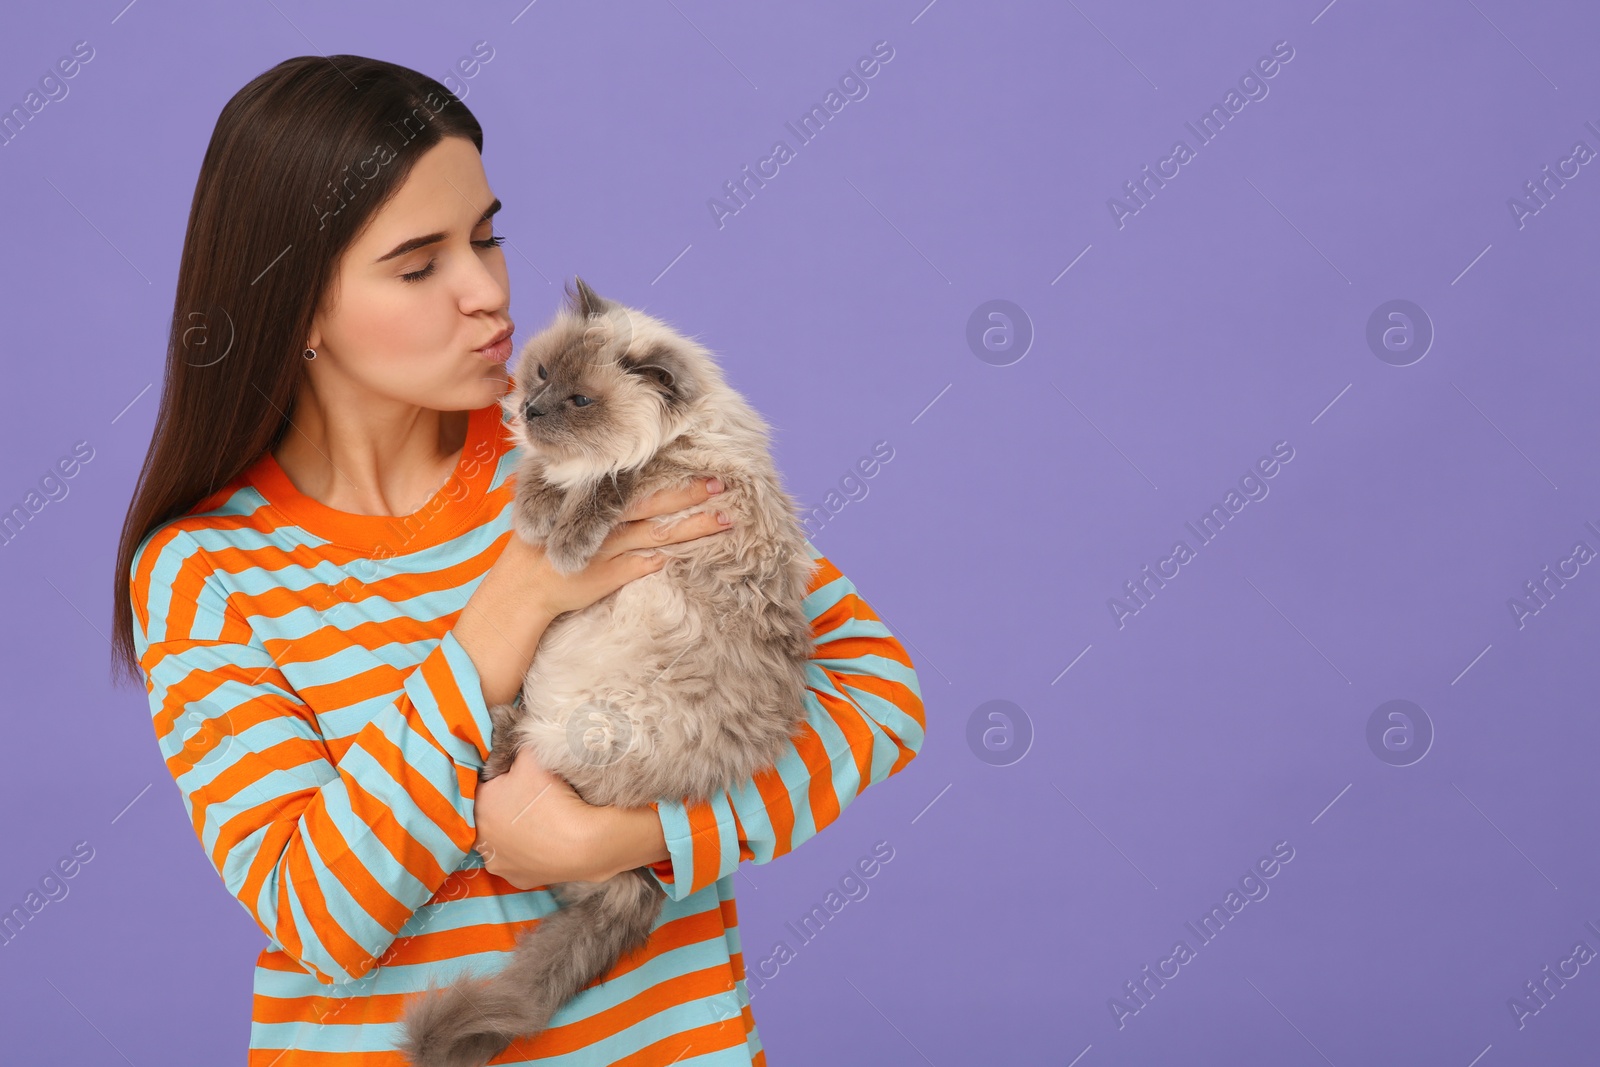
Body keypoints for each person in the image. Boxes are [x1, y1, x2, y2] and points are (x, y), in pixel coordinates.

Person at [109, 55, 925, 1065]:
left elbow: (878, 693)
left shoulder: (602, 451)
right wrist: (516, 600)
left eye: (486, 237)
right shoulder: (208, 572)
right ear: (299, 307)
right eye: (419, 264)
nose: (486, 293)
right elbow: (318, 917)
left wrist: (622, 840)